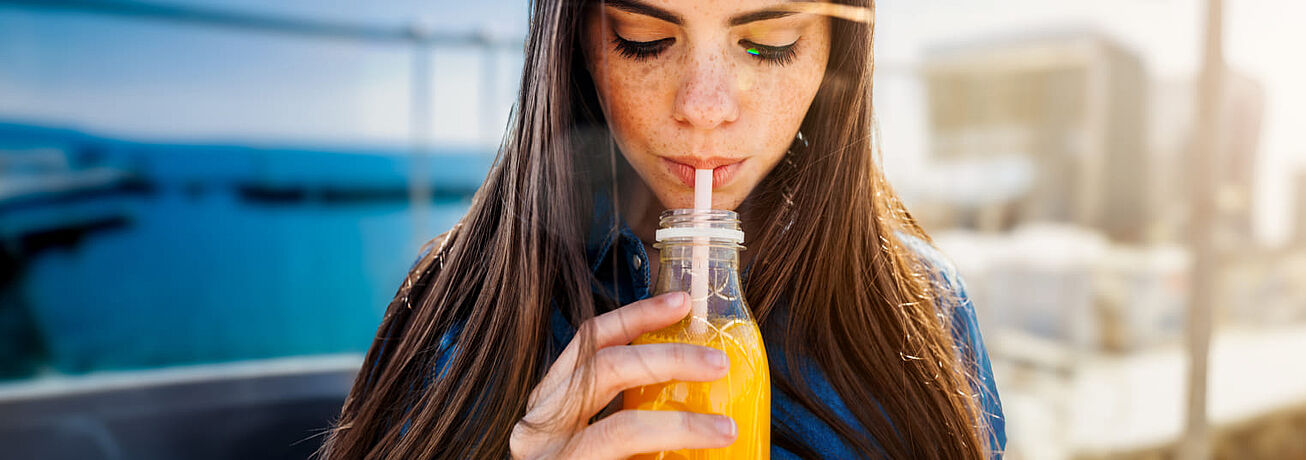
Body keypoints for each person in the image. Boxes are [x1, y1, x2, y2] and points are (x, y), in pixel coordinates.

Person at [321, 1, 1005, 458]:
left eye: (769, 43)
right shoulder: (456, 317)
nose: (704, 109)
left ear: (836, 50)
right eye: (644, 40)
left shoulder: (924, 307)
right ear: (580, 42)